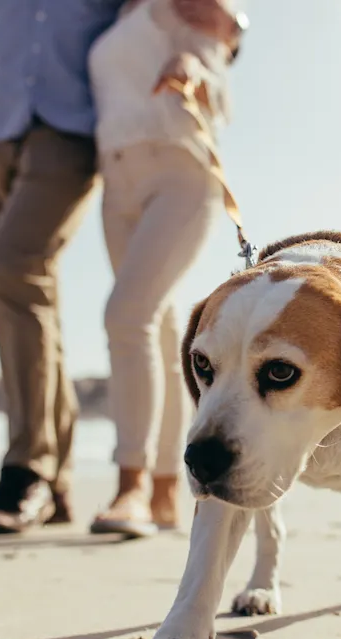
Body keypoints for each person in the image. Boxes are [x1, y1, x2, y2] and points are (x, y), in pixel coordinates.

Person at [0, 0, 236, 535]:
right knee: (26, 298)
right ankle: (59, 483)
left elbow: (211, 22)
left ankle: (31, 472)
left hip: (71, 135)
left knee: (16, 271)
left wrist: (215, 46)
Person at [85, 0, 246, 537]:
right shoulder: (113, 16)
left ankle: (129, 485)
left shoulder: (191, 6)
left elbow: (215, 60)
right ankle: (163, 493)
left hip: (180, 172)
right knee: (159, 329)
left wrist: (193, 68)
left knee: (126, 316)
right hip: (117, 182)